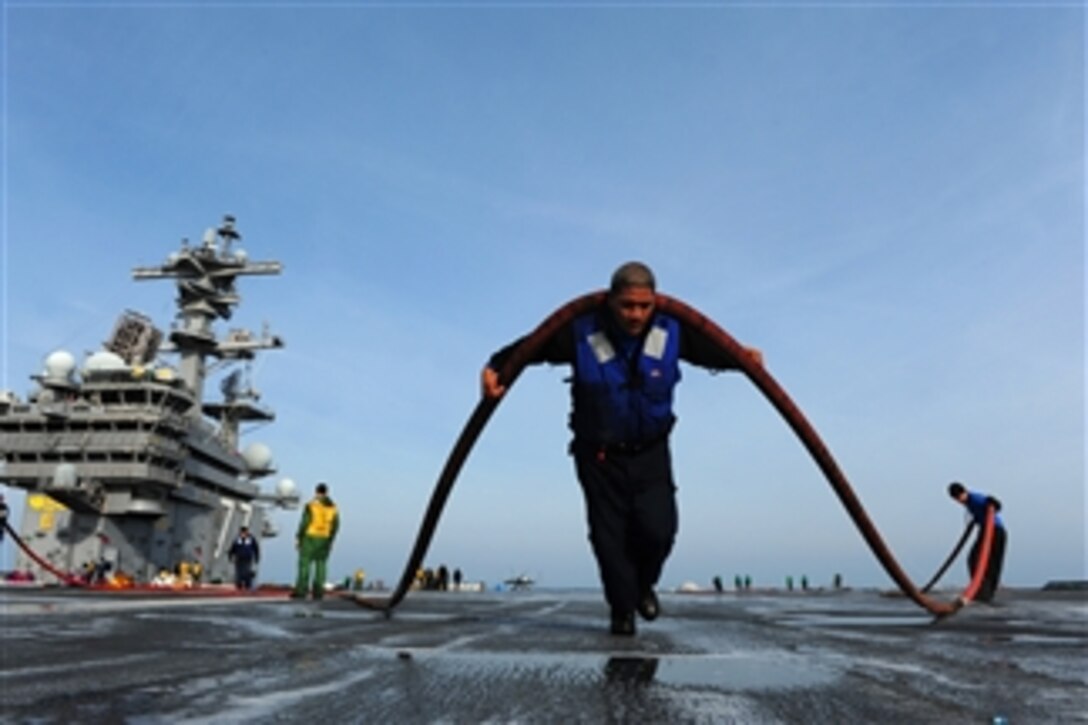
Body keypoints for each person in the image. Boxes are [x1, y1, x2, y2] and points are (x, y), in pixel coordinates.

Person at [481, 261, 762, 635]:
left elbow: (714, 349)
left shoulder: (672, 329)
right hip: (598, 456)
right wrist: (496, 366)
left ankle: (642, 586)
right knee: (608, 538)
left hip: (651, 452)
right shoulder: (580, 332)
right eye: (627, 305)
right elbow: (533, 346)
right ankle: (621, 612)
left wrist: (743, 358)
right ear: (611, 302)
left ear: (655, 303)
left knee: (658, 530)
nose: (636, 314)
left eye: (644, 306)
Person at [948, 481, 1007, 602]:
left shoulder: (975, 499)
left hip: (995, 531)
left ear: (964, 492)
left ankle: (986, 592)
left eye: (959, 497)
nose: (959, 501)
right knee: (974, 559)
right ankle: (980, 589)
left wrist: (993, 502)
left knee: (990, 563)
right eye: (956, 499)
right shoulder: (969, 504)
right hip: (986, 530)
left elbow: (996, 505)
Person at [291, 482, 339, 600]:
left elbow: (304, 523)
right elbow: (336, 525)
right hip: (325, 539)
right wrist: (331, 540)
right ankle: (318, 592)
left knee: (304, 565)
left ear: (316, 492)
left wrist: (298, 537)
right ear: (326, 492)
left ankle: (301, 590)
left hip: (310, 537)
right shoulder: (333, 508)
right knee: (321, 565)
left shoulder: (311, 506)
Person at [227, 525, 260, 590]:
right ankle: (239, 585)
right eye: (242, 532)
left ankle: (248, 586)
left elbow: (256, 549)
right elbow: (232, 549)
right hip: (239, 558)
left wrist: (257, 558)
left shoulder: (251, 539)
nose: (243, 534)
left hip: (247, 558)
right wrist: (230, 556)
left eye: (245, 532)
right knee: (239, 573)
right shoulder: (237, 540)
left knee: (247, 572)